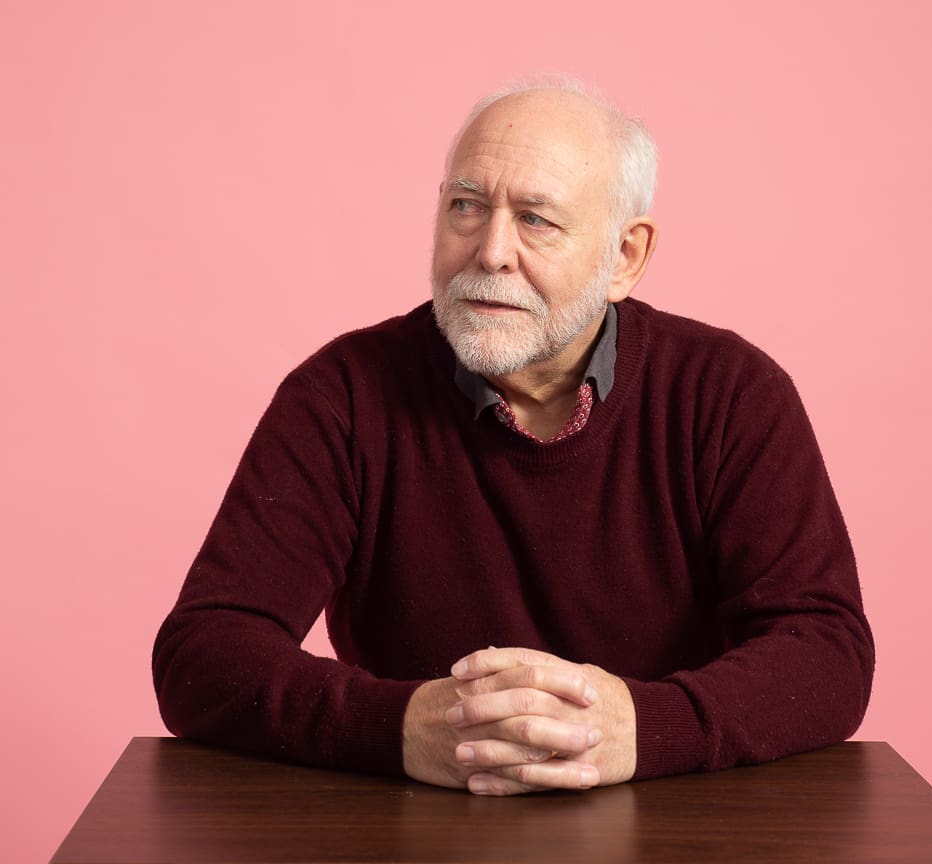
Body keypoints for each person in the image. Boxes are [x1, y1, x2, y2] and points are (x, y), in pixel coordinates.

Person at [153, 77, 874, 797]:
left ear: (625, 255)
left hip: (680, 828)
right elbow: (204, 652)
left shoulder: (730, 396)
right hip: (413, 833)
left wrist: (639, 725)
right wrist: (401, 724)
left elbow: (826, 652)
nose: (490, 251)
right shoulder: (343, 395)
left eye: (536, 219)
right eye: (466, 206)